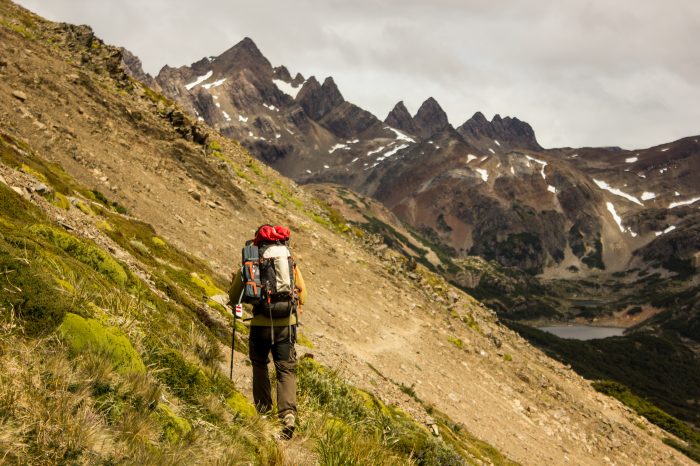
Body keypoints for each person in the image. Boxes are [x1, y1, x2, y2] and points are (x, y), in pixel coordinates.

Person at [228, 225, 307, 439]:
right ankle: (288, 414)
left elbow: (235, 295)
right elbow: (303, 293)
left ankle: (263, 413)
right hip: (285, 325)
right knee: (286, 370)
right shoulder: (289, 259)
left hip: (260, 324)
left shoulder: (253, 259)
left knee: (260, 365)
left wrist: (238, 298)